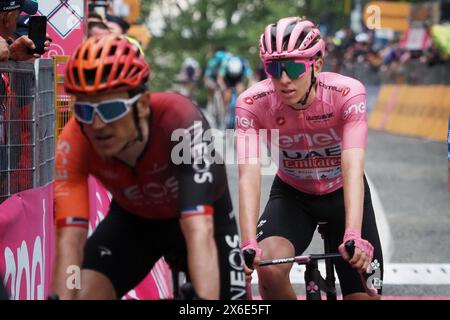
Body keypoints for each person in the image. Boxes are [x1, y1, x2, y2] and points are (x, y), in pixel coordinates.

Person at [52, 34, 246, 300]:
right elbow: (70, 243)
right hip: (135, 221)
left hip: (202, 218)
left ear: (142, 105)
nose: (96, 124)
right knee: (82, 292)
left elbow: (199, 230)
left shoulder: (178, 120)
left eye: (110, 110)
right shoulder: (74, 141)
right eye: (85, 110)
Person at [236, 17, 383, 300]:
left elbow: (353, 166)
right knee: (270, 269)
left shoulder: (346, 94)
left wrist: (353, 233)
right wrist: (248, 242)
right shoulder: (252, 103)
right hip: (293, 195)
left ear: (316, 65)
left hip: (342, 193)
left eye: (293, 67)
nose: (284, 79)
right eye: (274, 69)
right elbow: (248, 174)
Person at [217, 54, 253, 129]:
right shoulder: (225, 63)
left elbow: (250, 78)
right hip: (228, 79)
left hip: (238, 79)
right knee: (226, 95)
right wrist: (223, 87)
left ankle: (241, 114)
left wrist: (248, 89)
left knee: (241, 92)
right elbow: (220, 78)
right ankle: (225, 116)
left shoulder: (243, 62)